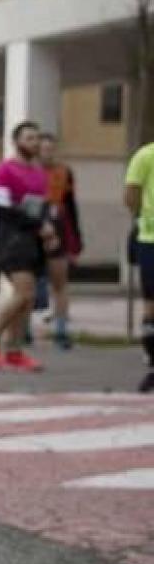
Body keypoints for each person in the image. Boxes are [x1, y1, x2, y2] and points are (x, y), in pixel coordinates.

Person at [0, 121, 55, 372]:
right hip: (10, 238)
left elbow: (40, 207)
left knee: (27, 299)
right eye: (29, 138)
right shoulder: (4, 171)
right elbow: (2, 209)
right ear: (17, 142)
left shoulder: (40, 173)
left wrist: (48, 229)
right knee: (25, 292)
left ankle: (14, 351)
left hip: (32, 240)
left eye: (36, 138)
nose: (34, 143)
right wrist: (37, 225)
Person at [39, 132, 83, 351]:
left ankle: (61, 329)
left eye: (51, 149)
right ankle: (24, 330)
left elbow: (71, 206)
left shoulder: (64, 172)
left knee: (60, 282)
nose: (47, 153)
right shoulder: (28, 172)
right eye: (43, 149)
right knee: (28, 286)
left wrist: (76, 241)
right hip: (32, 230)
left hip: (59, 230)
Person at [122, 138, 154, 393]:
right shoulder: (145, 155)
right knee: (151, 305)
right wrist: (142, 218)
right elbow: (131, 193)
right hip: (150, 239)